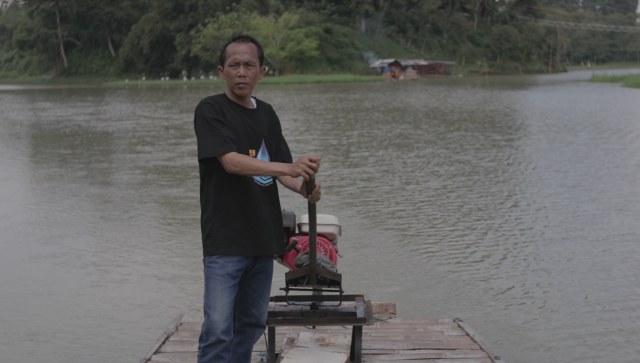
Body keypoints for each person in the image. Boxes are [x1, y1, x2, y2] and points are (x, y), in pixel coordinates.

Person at [193, 34, 321, 363]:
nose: (241, 72)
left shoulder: (266, 114)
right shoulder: (210, 110)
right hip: (225, 240)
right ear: (221, 70)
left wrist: (305, 186)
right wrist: (288, 167)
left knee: (250, 324)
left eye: (249, 65)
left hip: (263, 240)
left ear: (261, 72)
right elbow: (230, 161)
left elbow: (284, 172)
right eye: (233, 65)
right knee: (219, 327)